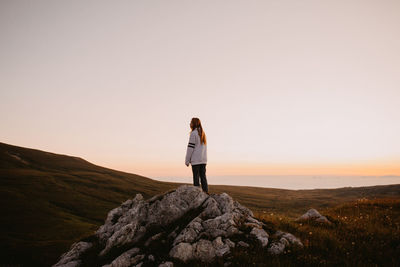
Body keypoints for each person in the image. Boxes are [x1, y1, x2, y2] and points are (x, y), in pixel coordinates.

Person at [185, 117, 208, 193]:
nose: (190, 124)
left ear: (194, 124)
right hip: (203, 160)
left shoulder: (193, 133)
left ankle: (197, 194)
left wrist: (187, 160)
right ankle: (206, 193)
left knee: (196, 178)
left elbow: (190, 148)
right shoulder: (203, 134)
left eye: (191, 122)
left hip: (196, 160)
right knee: (203, 177)